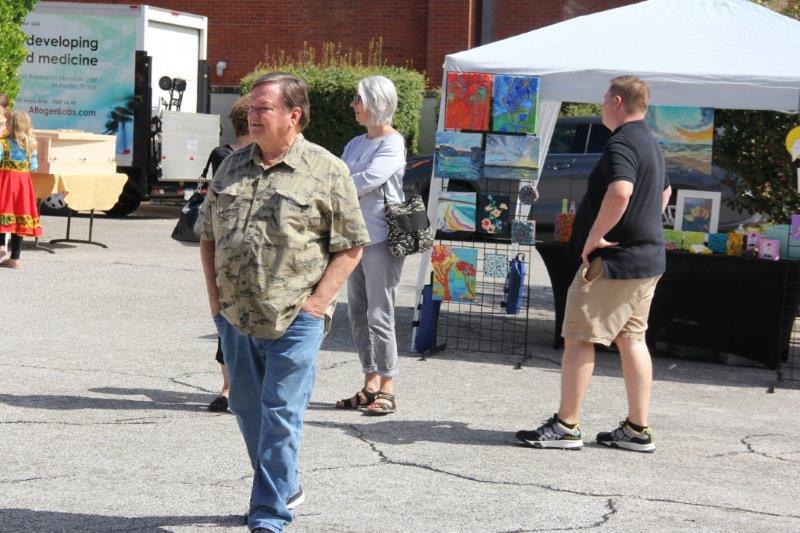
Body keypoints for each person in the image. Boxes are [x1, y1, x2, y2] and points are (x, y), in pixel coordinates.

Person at [196, 72, 369, 532]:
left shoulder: (327, 169)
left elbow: (351, 245)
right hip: (236, 315)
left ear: (293, 115)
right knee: (245, 406)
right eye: (251, 108)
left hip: (296, 316)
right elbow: (208, 235)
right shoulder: (231, 166)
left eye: (263, 108)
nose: (252, 115)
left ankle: (269, 514)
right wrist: (215, 304)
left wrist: (317, 305)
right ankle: (284, 483)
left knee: (280, 413)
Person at [516, 76, 671, 452]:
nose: (601, 105)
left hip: (614, 261)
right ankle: (637, 429)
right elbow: (665, 190)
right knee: (632, 338)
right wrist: (642, 222)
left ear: (617, 102)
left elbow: (621, 191)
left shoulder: (622, 141)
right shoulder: (650, 141)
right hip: (646, 258)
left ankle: (566, 426)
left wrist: (595, 237)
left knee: (579, 338)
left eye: (604, 99)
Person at [335, 76, 406, 415]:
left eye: (358, 99)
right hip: (354, 237)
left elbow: (368, 179)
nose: (353, 105)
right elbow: (340, 176)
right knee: (356, 312)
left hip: (381, 238)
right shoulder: (354, 143)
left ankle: (388, 386)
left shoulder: (393, 142)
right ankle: (370, 383)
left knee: (380, 312)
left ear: (376, 103)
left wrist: (336, 187)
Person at [205, 94, 254, 413]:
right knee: (228, 319)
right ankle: (228, 386)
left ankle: (243, 385)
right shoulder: (225, 156)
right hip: (230, 251)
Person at [0, 110, 42, 268]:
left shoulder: (3, 143)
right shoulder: (30, 144)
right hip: (23, 185)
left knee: (3, 212)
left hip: (5, 182)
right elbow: (33, 167)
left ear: (11, 125)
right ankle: (15, 259)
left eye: (7, 122)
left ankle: (1, 245)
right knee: (19, 217)